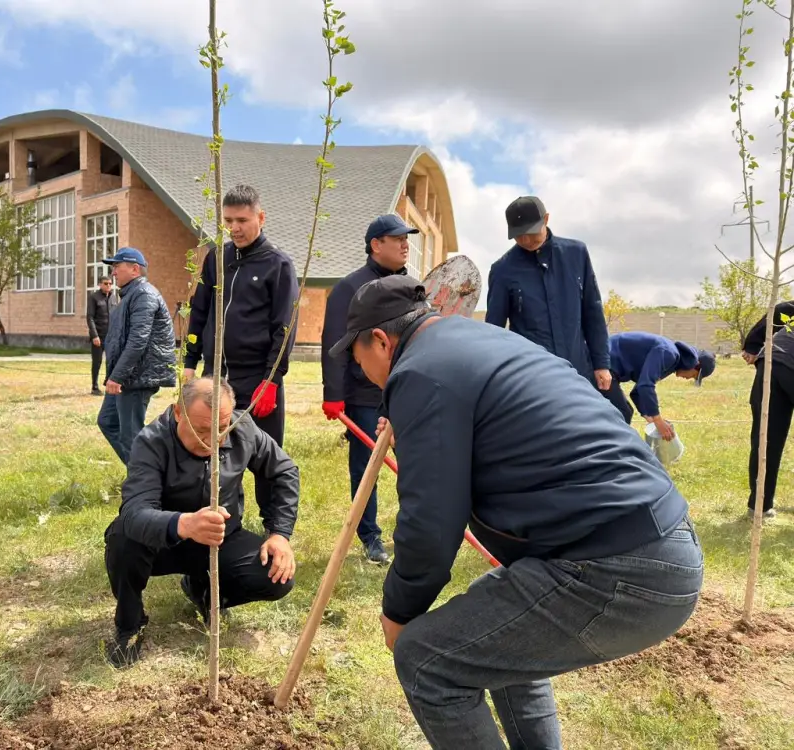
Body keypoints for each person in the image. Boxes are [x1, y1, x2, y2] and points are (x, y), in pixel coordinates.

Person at [329, 274, 703, 749]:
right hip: (662, 538)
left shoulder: (420, 371)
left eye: (357, 356)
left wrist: (399, 611)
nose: (360, 370)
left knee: (426, 660)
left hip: (619, 566)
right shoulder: (479, 342)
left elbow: (431, 523)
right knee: (494, 625)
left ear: (381, 341)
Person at [103, 377, 299, 667]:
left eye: (221, 429)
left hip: (220, 540)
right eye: (202, 430)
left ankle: (203, 591)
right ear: (178, 412)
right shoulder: (152, 441)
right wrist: (183, 524)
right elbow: (135, 511)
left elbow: (284, 471)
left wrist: (279, 533)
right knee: (122, 538)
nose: (212, 440)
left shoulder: (241, 428)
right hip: (163, 542)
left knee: (276, 576)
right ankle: (130, 624)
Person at [182, 184, 298, 509]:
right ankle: (223, 520)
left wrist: (272, 379)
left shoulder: (278, 265)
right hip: (215, 378)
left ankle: (273, 525)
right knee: (215, 454)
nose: (234, 228)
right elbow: (199, 311)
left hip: (258, 380)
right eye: (228, 221)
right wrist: (190, 361)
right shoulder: (216, 259)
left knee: (266, 459)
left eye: (242, 220)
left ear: (261, 218)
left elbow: (284, 327)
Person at [319, 214, 417, 565]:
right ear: (376, 245)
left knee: (415, 462)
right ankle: (370, 536)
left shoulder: (410, 286)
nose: (406, 245)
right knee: (366, 468)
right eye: (398, 239)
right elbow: (333, 342)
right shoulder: (349, 288)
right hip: (364, 395)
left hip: (406, 390)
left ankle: (414, 532)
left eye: (406, 238)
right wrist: (333, 394)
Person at [485, 195, 612, 391]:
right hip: (531, 377)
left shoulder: (576, 254)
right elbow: (495, 330)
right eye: (519, 235)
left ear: (545, 219)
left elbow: (592, 311)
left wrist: (601, 363)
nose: (526, 240)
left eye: (531, 232)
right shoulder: (502, 270)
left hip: (578, 371)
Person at [97, 248, 176, 468]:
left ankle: (148, 480)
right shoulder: (130, 295)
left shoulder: (144, 294)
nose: (113, 272)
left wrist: (118, 376)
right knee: (107, 422)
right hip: (126, 377)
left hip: (136, 377)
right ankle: (143, 474)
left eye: (117, 266)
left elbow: (138, 340)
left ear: (134, 269)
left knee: (130, 435)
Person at [605, 331, 716, 439]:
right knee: (623, 412)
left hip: (609, 369)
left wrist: (650, 419)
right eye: (694, 376)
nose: (688, 378)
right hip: (602, 364)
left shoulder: (672, 363)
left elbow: (637, 392)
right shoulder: (668, 353)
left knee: (624, 412)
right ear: (696, 365)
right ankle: (608, 448)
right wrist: (658, 420)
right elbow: (645, 386)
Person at [741, 300, 794, 519]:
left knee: (766, 438)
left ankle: (759, 506)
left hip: (771, 361)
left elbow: (782, 308)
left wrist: (753, 344)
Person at [87, 276, 117, 396]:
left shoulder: (113, 297)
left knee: (111, 361)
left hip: (111, 336)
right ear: (100, 284)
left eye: (110, 283)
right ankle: (94, 387)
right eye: (106, 283)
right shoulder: (94, 297)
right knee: (97, 362)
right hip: (99, 336)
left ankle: (108, 384)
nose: (108, 285)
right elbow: (90, 317)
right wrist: (94, 335)